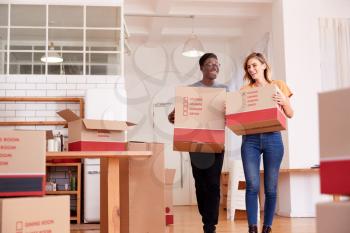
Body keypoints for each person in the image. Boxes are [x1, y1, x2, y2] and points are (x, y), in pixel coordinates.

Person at [168, 53, 228, 233]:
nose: (214, 66)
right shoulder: (190, 89)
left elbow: (232, 117)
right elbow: (175, 116)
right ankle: (206, 219)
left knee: (213, 184)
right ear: (201, 68)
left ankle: (210, 225)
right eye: (210, 64)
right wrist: (173, 116)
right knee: (201, 183)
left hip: (216, 143)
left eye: (217, 64)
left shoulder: (224, 90)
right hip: (196, 144)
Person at [240, 52, 294, 233]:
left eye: (254, 65)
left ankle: (267, 227)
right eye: (248, 67)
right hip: (250, 140)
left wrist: (284, 100)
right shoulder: (244, 91)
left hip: (273, 138)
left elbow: (290, 113)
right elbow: (239, 118)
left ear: (264, 65)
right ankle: (252, 228)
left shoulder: (277, 86)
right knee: (252, 185)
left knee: (271, 187)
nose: (251, 69)